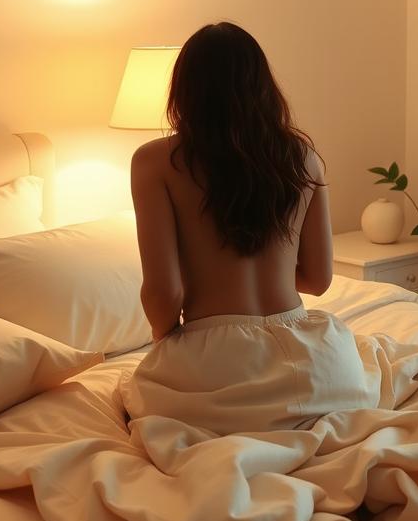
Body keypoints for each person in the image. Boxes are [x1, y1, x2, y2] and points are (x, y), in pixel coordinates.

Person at [120, 22, 368, 435]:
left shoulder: (155, 162)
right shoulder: (303, 157)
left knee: (132, 396)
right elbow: (319, 279)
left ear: (184, 90)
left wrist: (168, 345)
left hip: (218, 369)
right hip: (318, 368)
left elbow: (166, 292)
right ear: (262, 85)